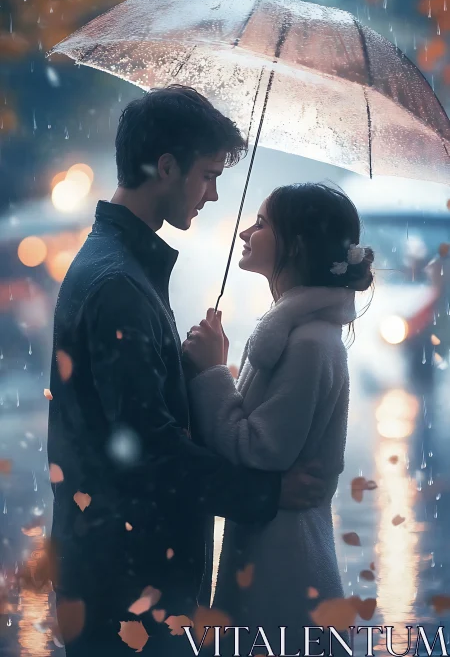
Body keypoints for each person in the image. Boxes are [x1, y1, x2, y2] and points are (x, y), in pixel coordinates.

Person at [47, 86, 327, 657]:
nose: (214, 194)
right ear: (166, 167)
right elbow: (147, 451)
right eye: (206, 176)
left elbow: (126, 411)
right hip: (129, 588)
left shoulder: (122, 265)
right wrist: (268, 492)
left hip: (120, 572)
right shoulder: (118, 282)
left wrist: (193, 368)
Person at [183, 183, 375, 655]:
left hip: (285, 565)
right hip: (269, 548)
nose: (247, 231)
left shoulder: (309, 343)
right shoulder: (290, 333)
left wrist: (211, 373)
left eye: (263, 223)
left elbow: (259, 449)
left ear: (299, 244)